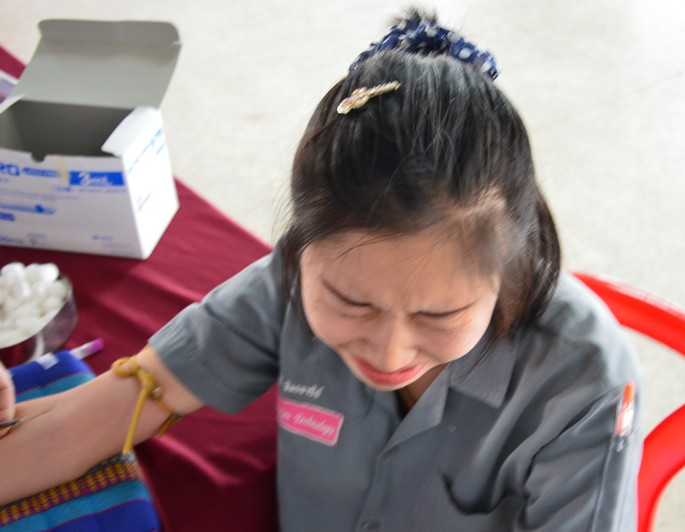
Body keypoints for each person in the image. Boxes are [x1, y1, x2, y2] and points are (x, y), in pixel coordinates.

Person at [0, 8, 642, 531]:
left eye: (439, 315)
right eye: (351, 303)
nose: (389, 351)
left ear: (508, 268)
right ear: (300, 246)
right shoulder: (288, 282)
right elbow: (127, 402)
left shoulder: (582, 383)